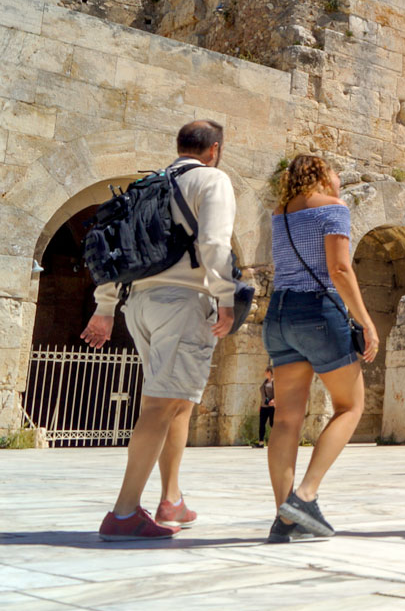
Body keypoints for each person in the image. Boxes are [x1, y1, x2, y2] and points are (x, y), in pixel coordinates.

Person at [83, 120, 238, 541]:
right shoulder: (212, 180)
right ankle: (124, 512)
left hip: (140, 304)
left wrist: (106, 307)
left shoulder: (149, 183)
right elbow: (214, 245)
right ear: (215, 149)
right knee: (159, 405)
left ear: (180, 146)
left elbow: (119, 247)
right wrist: (226, 297)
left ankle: (171, 498)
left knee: (179, 403)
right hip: (183, 304)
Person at [263, 154, 380, 543]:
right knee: (350, 406)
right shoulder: (334, 209)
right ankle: (305, 495)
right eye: (335, 171)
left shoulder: (279, 213)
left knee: (285, 420)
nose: (340, 178)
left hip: (279, 313)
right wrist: (365, 320)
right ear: (320, 175)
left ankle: (286, 518)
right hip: (317, 311)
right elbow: (340, 270)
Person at [255, 367, 275, 448]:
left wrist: (274, 400)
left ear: (269, 372)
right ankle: (261, 442)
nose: (265, 373)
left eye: (266, 371)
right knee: (262, 424)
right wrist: (260, 405)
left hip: (271, 406)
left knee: (272, 423)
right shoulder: (265, 382)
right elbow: (263, 395)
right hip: (263, 406)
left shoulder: (274, 382)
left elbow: (278, 393)